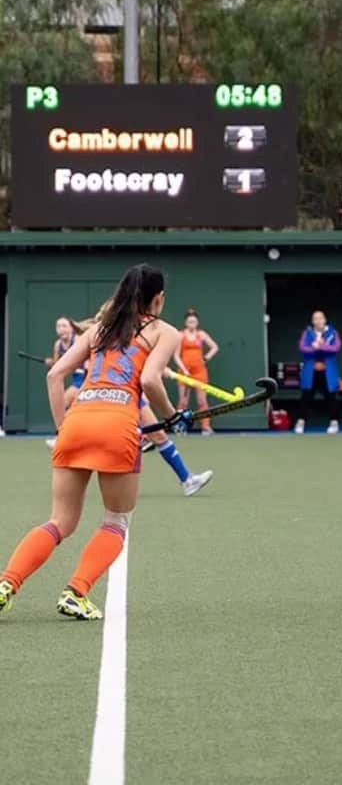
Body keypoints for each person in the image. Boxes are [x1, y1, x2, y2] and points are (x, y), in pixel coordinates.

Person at [0, 263, 203, 621]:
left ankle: (6, 583)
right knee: (116, 520)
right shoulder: (163, 331)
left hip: (78, 420)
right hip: (118, 425)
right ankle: (76, 592)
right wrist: (172, 416)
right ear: (158, 298)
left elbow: (54, 374)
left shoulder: (99, 329)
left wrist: (63, 428)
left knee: (59, 520)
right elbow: (153, 382)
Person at [75, 301, 213, 498]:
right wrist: (157, 369)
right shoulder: (115, 336)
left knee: (156, 435)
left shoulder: (106, 336)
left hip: (123, 395)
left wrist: (158, 367)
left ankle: (185, 478)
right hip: (123, 395)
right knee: (146, 435)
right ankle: (183, 477)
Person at [294, 310, 341, 435]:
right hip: (311, 373)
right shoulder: (307, 333)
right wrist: (313, 347)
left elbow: (335, 348)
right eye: (315, 318)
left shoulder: (332, 333)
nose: (318, 320)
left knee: (331, 397)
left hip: (327, 372)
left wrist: (322, 346)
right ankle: (300, 422)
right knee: (306, 397)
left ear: (325, 320)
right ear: (312, 321)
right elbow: (303, 349)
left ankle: (334, 423)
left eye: (321, 318)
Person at [44, 317, 88, 450]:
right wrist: (51, 363)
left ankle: (63, 436)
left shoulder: (79, 340)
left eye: (64, 326)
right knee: (66, 404)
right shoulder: (58, 345)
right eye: (58, 326)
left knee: (63, 402)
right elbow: (58, 367)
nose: (61, 329)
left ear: (71, 328)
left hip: (87, 376)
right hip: (77, 377)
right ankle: (69, 435)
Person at [173, 309, 219, 435]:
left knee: (202, 401)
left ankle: (205, 427)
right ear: (186, 322)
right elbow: (176, 355)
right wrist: (183, 369)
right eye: (189, 321)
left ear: (197, 322)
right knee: (183, 402)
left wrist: (205, 358)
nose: (192, 322)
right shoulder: (180, 335)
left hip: (200, 372)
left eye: (194, 320)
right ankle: (180, 427)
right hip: (184, 373)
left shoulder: (202, 334)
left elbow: (214, 347)